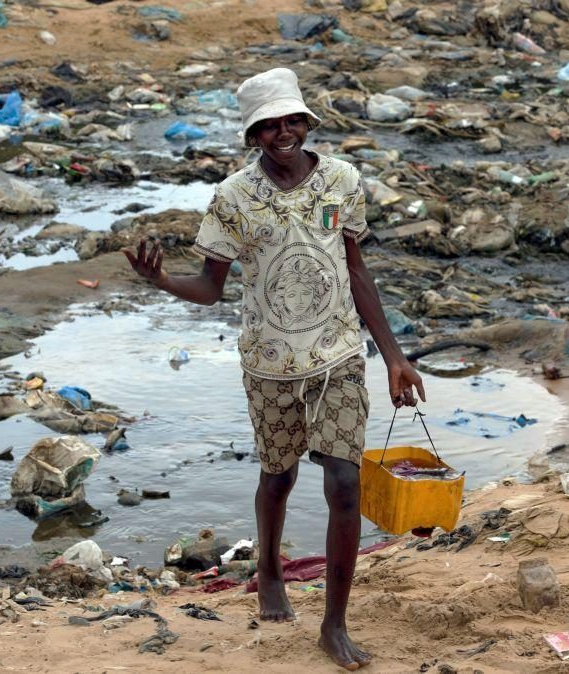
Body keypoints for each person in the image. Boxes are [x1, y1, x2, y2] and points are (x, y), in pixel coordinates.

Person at [123, 67, 425, 671]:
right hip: (270, 363)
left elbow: (356, 273)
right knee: (279, 476)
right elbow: (212, 288)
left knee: (344, 483)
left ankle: (333, 625)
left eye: (292, 121)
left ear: (306, 123)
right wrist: (160, 281)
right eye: (269, 126)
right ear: (253, 135)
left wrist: (393, 356)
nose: (283, 133)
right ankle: (267, 571)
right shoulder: (233, 197)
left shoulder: (341, 180)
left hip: (338, 355)